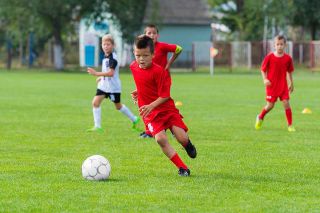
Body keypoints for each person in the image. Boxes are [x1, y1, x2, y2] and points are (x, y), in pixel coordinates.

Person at [130, 35, 197, 176]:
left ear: (153, 55)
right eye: (138, 55)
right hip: (150, 113)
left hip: (166, 109)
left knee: (182, 138)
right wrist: (139, 93)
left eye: (145, 55)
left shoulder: (160, 71)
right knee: (160, 139)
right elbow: (143, 82)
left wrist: (151, 105)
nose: (141, 59)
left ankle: (188, 145)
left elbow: (165, 95)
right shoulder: (133, 67)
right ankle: (183, 168)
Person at [133, 24, 183, 138]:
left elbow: (179, 49)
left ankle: (175, 125)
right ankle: (151, 130)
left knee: (163, 102)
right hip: (151, 81)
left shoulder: (162, 46)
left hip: (163, 79)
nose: (151, 35)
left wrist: (169, 63)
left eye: (154, 33)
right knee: (146, 102)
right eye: (148, 33)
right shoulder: (143, 50)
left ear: (158, 35)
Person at [87, 34, 140, 133]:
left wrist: (96, 73)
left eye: (108, 44)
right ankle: (97, 126)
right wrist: (101, 78)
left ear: (113, 45)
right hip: (103, 86)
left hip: (113, 87)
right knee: (95, 102)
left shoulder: (113, 58)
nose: (106, 46)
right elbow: (107, 71)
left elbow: (111, 73)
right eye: (104, 44)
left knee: (118, 106)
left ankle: (134, 118)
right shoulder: (105, 56)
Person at [255, 35, 295, 132]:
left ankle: (290, 125)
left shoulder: (288, 59)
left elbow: (289, 72)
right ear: (274, 46)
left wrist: (291, 83)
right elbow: (263, 70)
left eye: (281, 44)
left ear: (285, 45)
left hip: (283, 86)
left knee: (286, 103)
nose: (279, 46)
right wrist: (265, 79)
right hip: (272, 86)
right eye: (277, 44)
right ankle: (260, 117)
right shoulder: (269, 57)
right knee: (270, 105)